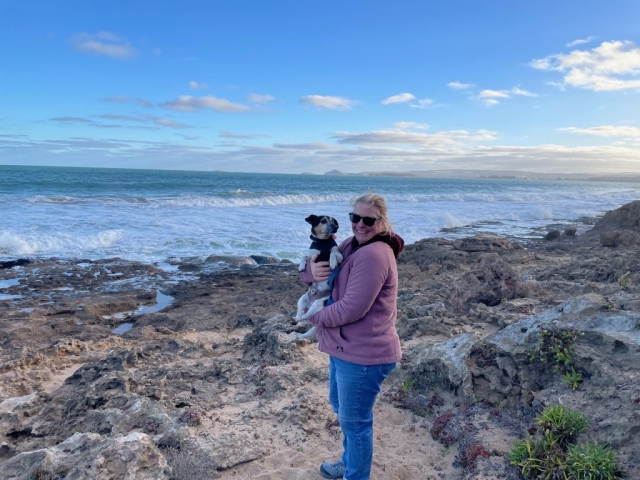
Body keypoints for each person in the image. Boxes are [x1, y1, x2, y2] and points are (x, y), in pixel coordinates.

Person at [300, 193, 404, 480]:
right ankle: (349, 463)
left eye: (368, 220)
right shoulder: (350, 244)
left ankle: (355, 474)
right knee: (343, 410)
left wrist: (313, 317)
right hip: (344, 348)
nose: (360, 224)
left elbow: (352, 308)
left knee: (355, 422)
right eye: (354, 218)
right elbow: (317, 275)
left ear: (381, 222)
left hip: (365, 354)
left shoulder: (374, 254)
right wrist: (310, 273)